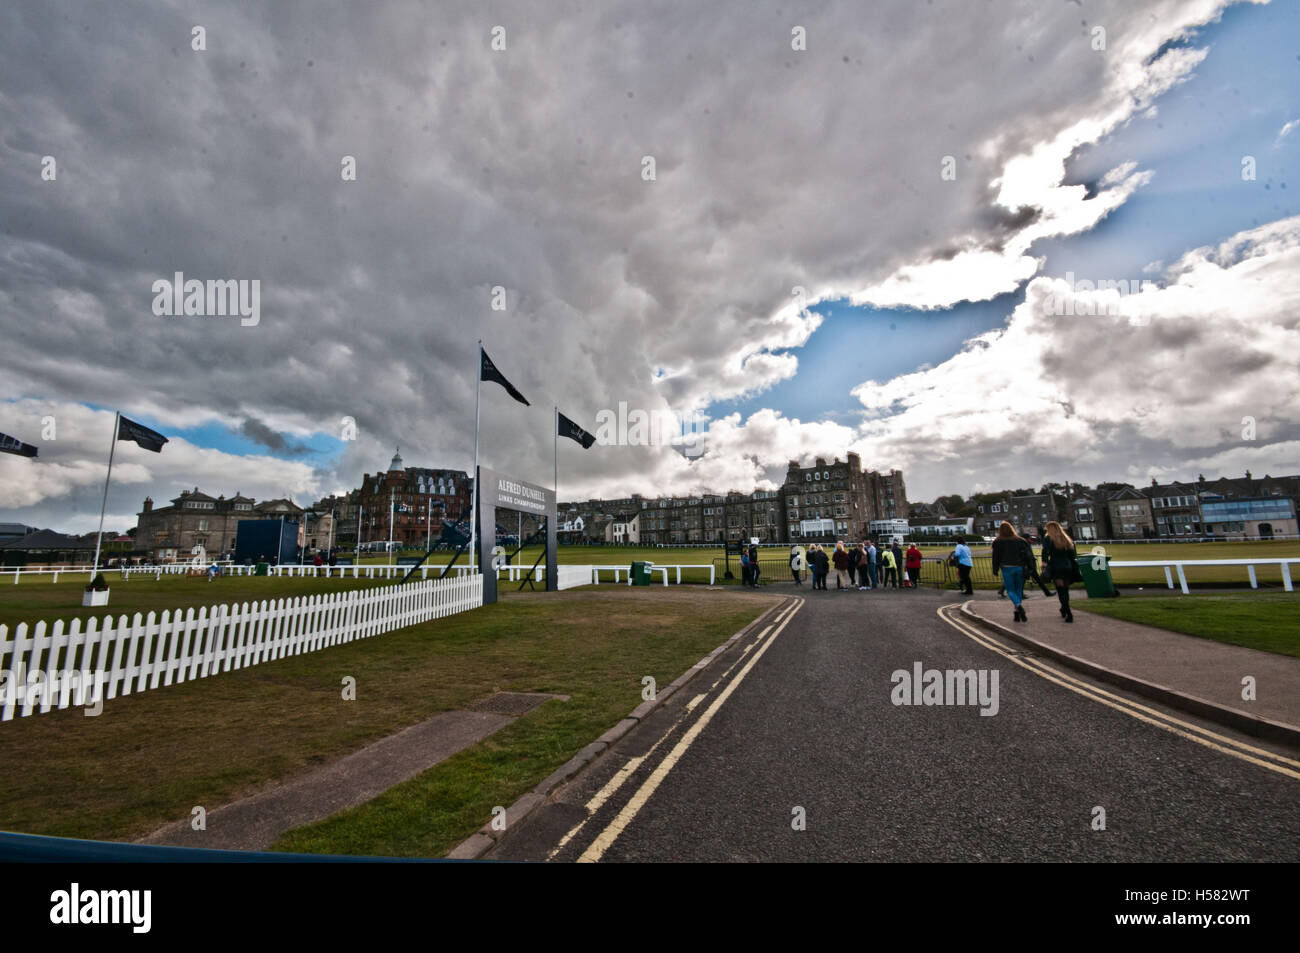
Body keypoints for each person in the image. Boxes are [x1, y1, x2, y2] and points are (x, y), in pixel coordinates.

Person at [990, 521, 1032, 623]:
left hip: (1007, 568)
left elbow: (995, 557)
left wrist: (995, 569)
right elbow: (1027, 555)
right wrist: (1030, 567)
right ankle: (1016, 613)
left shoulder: (997, 542)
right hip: (1019, 567)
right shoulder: (1020, 540)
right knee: (1018, 590)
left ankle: (1018, 606)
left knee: (1010, 591)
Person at [1041, 520, 1079, 623]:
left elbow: (1045, 552)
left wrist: (1044, 563)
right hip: (1067, 566)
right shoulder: (1066, 539)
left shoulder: (1048, 539)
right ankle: (1064, 608)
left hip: (1056, 566)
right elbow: (1072, 555)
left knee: (1060, 590)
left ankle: (1068, 612)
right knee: (1065, 590)